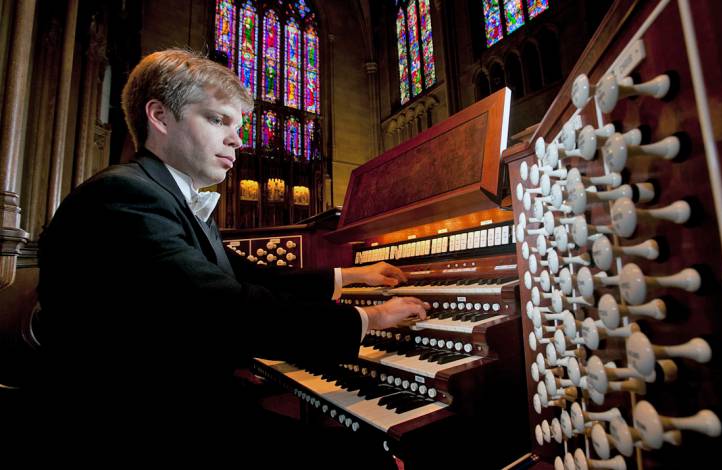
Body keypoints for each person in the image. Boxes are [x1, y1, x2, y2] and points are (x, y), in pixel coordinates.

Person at [27, 49, 428, 466]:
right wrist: (370, 319)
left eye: (239, 126)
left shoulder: (165, 195)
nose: (238, 139)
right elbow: (225, 308)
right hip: (131, 424)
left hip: (175, 400)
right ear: (160, 117)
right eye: (218, 119)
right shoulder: (124, 196)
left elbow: (250, 277)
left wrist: (352, 274)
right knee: (373, 458)